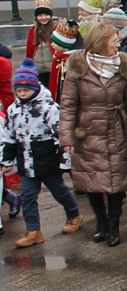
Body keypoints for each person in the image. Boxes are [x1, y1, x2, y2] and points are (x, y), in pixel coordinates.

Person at [57, 24, 127, 247]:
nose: (118, 44)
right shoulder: (78, 68)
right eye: (114, 41)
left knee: (116, 182)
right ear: (99, 43)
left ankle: (114, 226)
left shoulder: (123, 66)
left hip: (116, 130)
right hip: (87, 133)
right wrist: (66, 137)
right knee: (91, 180)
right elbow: (67, 105)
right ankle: (101, 223)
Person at [2, 59, 83, 248]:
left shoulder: (49, 108)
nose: (22, 94)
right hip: (26, 161)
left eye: (26, 91)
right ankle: (33, 230)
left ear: (35, 88)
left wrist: (64, 158)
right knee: (28, 196)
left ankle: (74, 214)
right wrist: (7, 159)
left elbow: (60, 134)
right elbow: (9, 136)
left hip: (46, 160)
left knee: (59, 190)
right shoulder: (13, 110)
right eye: (19, 91)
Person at [26, 0, 54, 87]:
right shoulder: (32, 31)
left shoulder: (55, 30)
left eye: (46, 14)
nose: (43, 17)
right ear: (36, 17)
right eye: (40, 15)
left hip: (52, 69)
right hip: (37, 71)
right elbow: (29, 51)